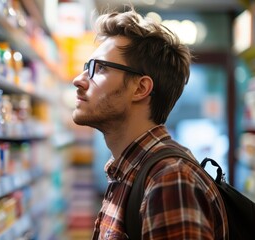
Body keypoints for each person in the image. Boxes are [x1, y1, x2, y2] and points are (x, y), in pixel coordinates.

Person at [72, 7, 228, 240]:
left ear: (141, 88)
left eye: (100, 68)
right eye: (87, 67)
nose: (79, 80)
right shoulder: (129, 171)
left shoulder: (170, 180)